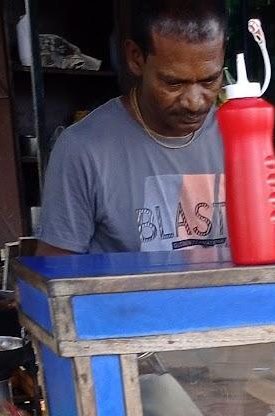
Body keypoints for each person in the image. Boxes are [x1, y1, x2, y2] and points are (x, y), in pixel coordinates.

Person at [38, 0, 228, 257]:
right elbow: (57, 275)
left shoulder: (238, 137)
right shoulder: (82, 150)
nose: (194, 101)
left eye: (209, 80)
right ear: (136, 58)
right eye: (173, 83)